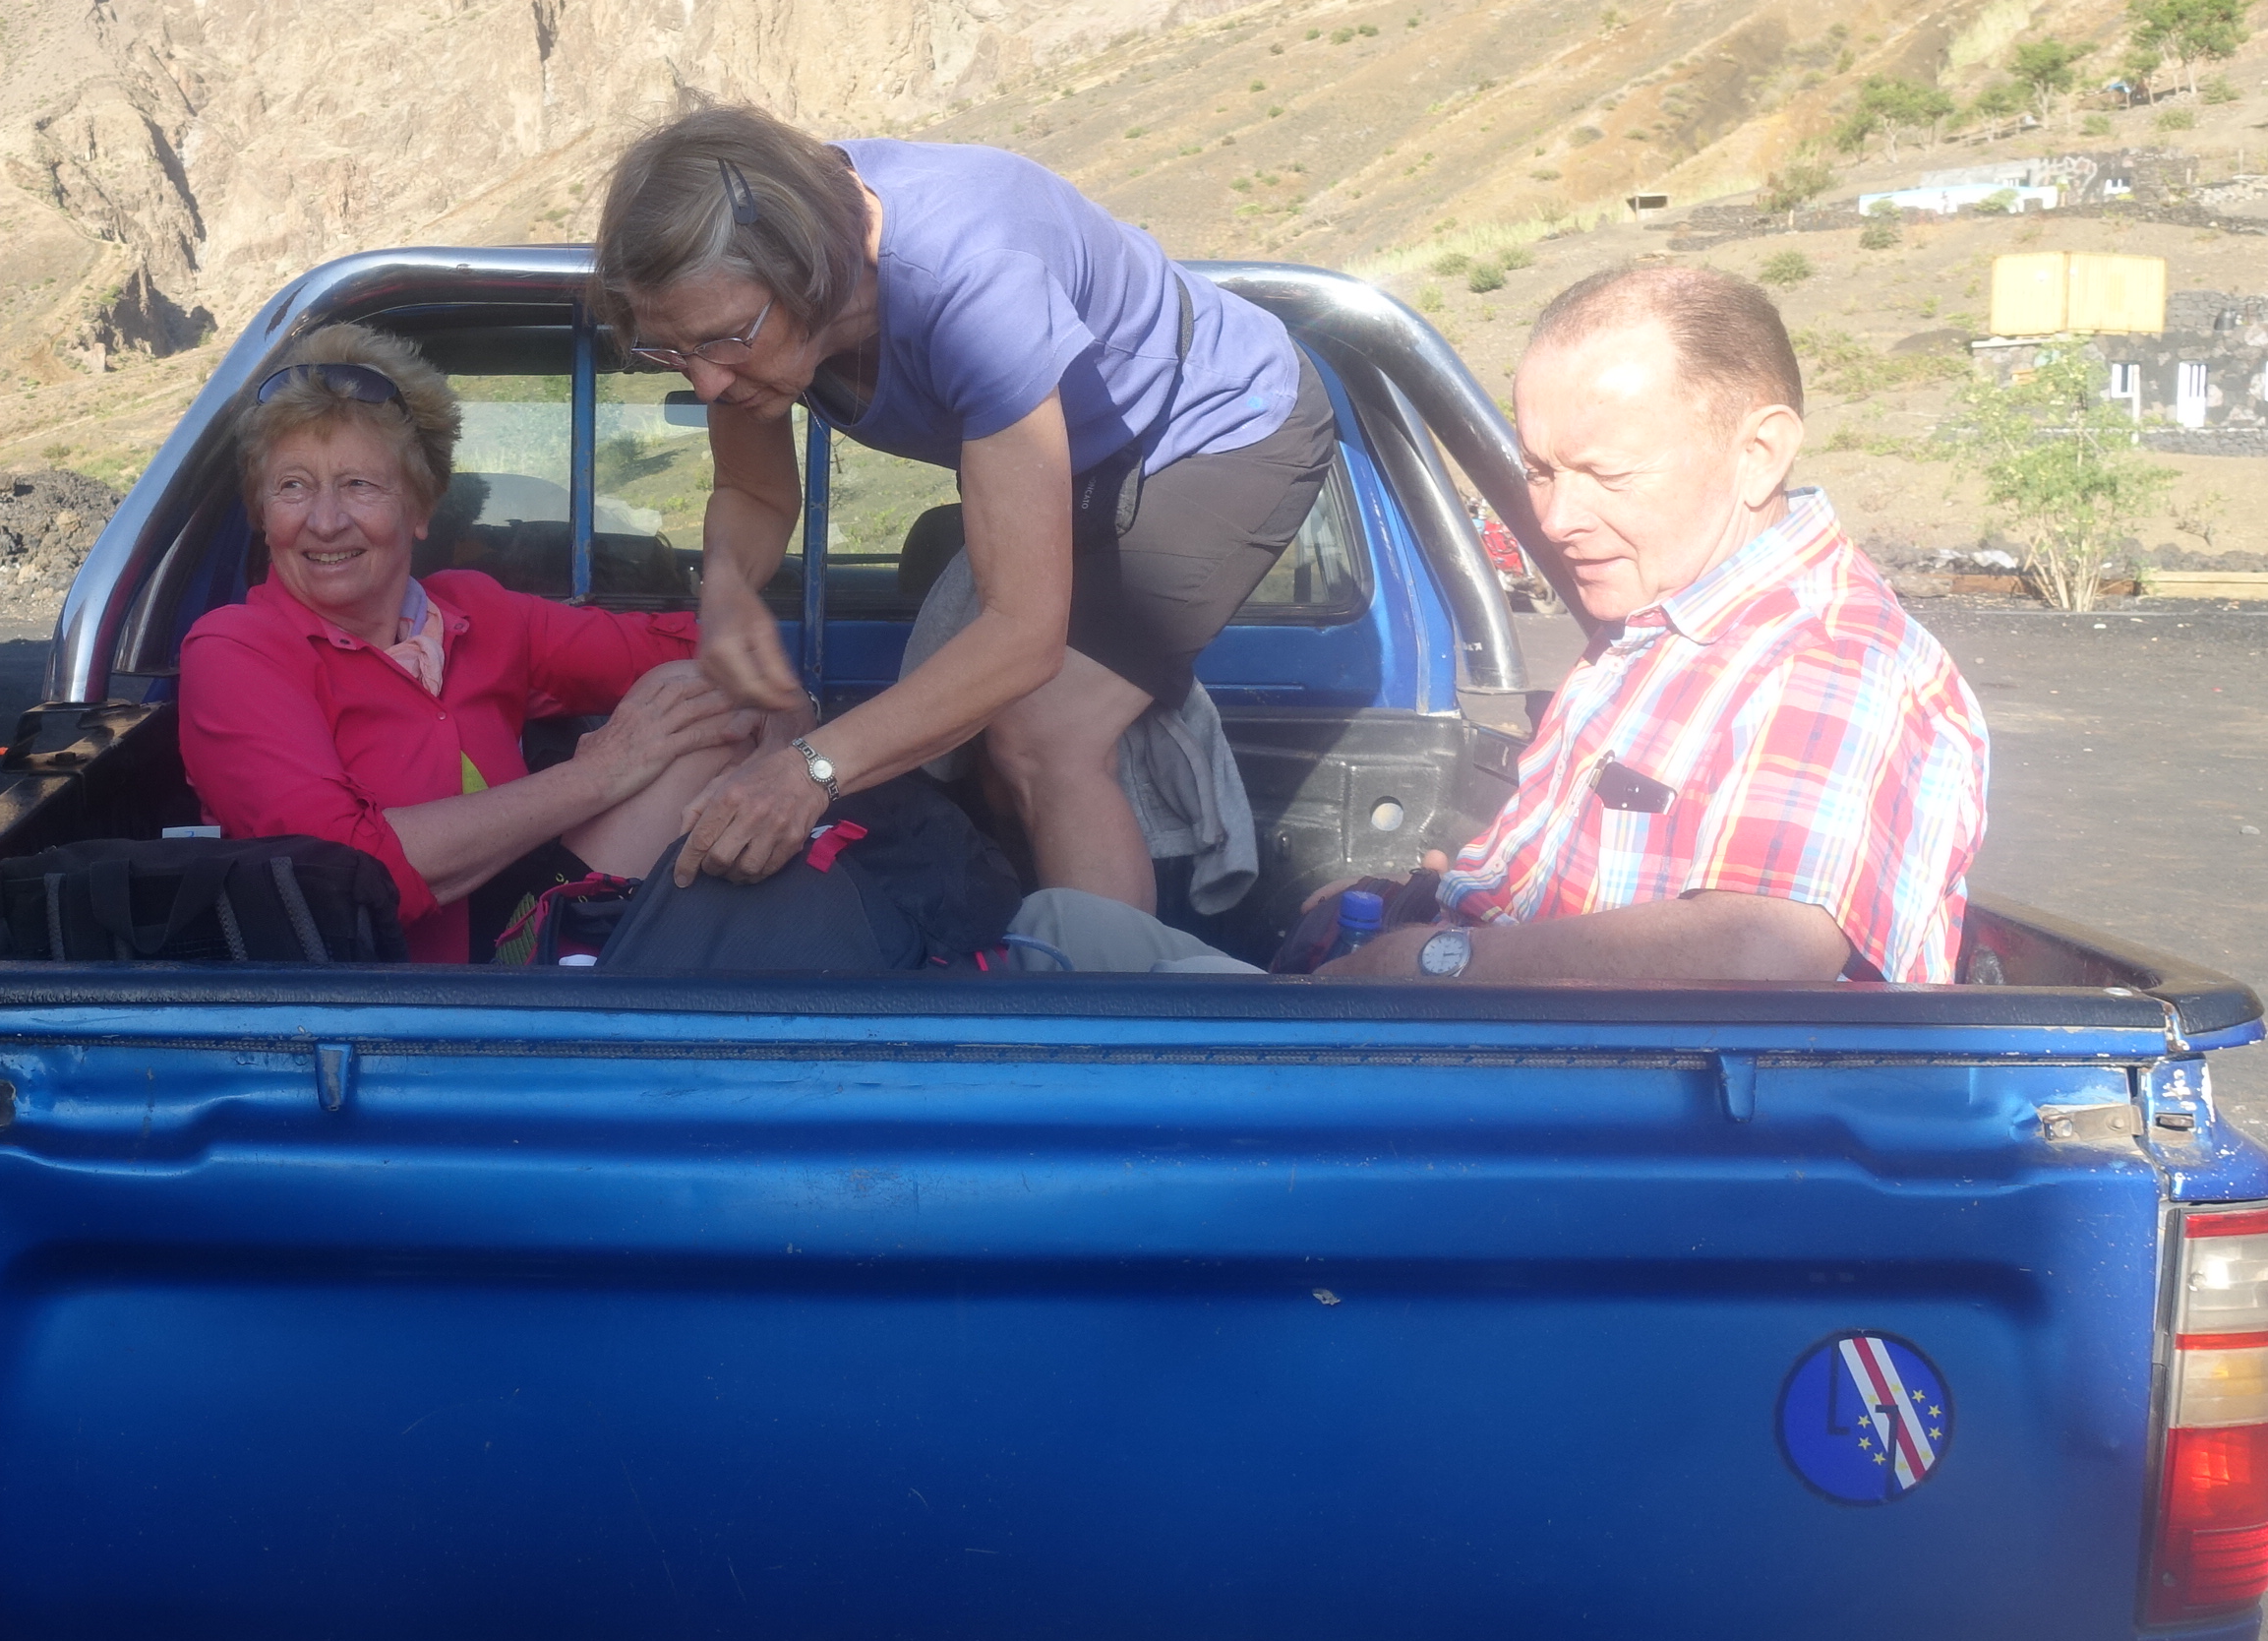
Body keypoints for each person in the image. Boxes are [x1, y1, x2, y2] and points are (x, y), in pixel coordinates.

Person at [590, 106, 1338, 905]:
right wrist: (728, 588)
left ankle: (1105, 983)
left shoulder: (972, 278)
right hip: (1074, 453)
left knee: (1042, 734)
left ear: (807, 270)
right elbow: (753, 492)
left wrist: (808, 771)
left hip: (1216, 427)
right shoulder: (738, 304)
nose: (706, 382)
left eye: (722, 341)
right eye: (671, 351)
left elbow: (1022, 636)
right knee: (967, 733)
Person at [1308, 264, 1987, 986]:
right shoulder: (1660, 615)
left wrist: (1428, 960)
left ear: (1758, 455)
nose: (1556, 520)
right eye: (1540, 471)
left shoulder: (1829, 657)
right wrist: (1411, 906)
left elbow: (1764, 950)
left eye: (1608, 475)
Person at [175, 323, 762, 962]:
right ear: (264, 514)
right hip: (366, 1005)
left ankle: (581, 984)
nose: (325, 520)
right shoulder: (234, 651)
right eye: (293, 486)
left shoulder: (475, 613)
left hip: (513, 949)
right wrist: (597, 775)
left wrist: (788, 735)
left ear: (421, 508)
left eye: (359, 485)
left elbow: (713, 654)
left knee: (693, 693)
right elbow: (341, 872)